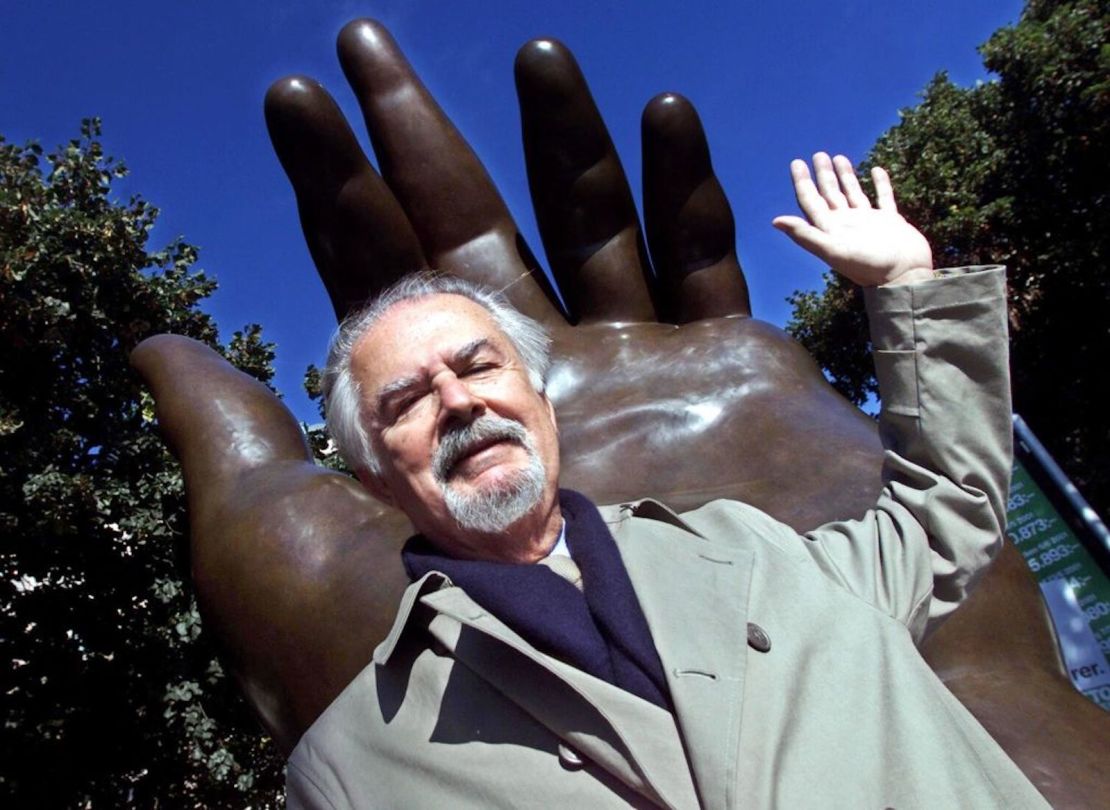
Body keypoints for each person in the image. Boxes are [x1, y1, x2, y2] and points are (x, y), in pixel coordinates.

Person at [282, 153, 1048, 808]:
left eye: (480, 365)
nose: (458, 401)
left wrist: (911, 288)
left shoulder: (755, 547)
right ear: (374, 475)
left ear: (541, 399)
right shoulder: (349, 765)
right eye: (408, 401)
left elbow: (944, 512)